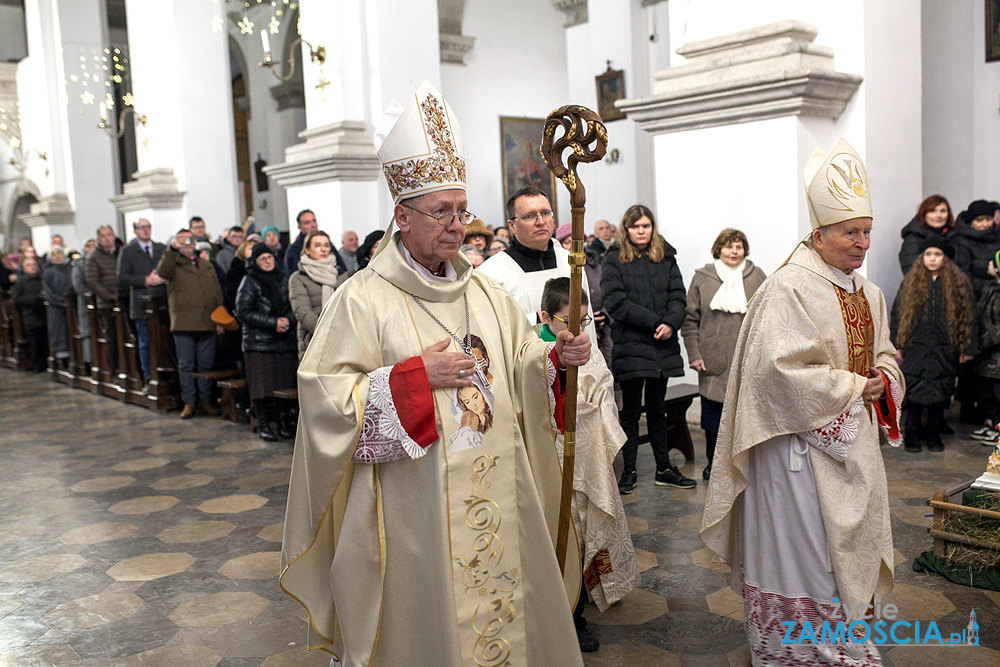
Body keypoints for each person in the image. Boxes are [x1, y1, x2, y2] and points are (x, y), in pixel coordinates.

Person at [280, 80, 590, 666]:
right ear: (402, 215)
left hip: (499, 484)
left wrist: (554, 359)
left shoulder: (485, 291)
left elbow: (520, 357)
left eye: (461, 210)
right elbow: (325, 403)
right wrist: (413, 379)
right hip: (413, 510)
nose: (456, 226)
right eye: (441, 212)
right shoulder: (361, 300)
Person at [700, 138, 904, 666]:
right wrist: (857, 387)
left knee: (844, 556)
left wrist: (884, 377)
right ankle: (800, 652)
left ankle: (842, 642)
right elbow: (777, 372)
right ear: (819, 233)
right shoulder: (789, 287)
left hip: (851, 449)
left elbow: (884, 355)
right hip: (795, 458)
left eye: (865, 232)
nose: (861, 243)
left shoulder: (870, 293)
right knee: (808, 558)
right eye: (849, 232)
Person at [535, 277, 639, 617]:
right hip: (551, 459)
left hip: (588, 453)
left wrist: (592, 408)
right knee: (561, 529)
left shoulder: (588, 351)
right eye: (569, 321)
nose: (577, 329)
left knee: (587, 528)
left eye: (583, 321)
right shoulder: (533, 354)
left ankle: (587, 592)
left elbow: (604, 389)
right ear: (544, 317)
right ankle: (566, 607)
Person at [602, 204, 695, 493]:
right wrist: (657, 322)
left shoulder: (665, 256)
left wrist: (670, 323)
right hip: (632, 344)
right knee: (630, 411)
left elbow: (679, 296)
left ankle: (664, 468)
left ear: (652, 228)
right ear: (626, 229)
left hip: (661, 345)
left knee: (657, 409)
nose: (641, 231)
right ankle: (629, 471)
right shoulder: (614, 259)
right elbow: (615, 302)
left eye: (646, 226)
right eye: (635, 226)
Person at [681, 228, 766, 480]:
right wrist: (694, 354)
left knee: (746, 415)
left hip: (748, 358)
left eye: (739, 246)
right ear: (719, 249)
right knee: (713, 417)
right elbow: (690, 321)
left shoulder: (757, 276)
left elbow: (767, 317)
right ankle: (713, 463)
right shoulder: (703, 278)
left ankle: (746, 463)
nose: (734, 251)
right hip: (713, 358)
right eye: (729, 246)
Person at [478, 186, 595, 340]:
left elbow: (588, 324)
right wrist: (534, 319)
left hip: (574, 358)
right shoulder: (490, 273)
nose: (540, 221)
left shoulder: (571, 262)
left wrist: (591, 361)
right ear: (512, 226)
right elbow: (489, 332)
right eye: (529, 216)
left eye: (545, 213)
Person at [891, 237, 973, 452]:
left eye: (937, 254)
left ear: (945, 258)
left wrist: (967, 347)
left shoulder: (958, 283)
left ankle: (933, 433)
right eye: (928, 254)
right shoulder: (911, 282)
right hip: (916, 346)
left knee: (940, 392)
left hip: (946, 347)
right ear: (922, 257)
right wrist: (897, 343)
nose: (933, 259)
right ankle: (912, 433)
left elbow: (968, 316)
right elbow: (897, 314)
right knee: (915, 393)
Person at [157, 229, 224, 419]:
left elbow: (216, 291)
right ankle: (189, 402)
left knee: (205, 365)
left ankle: (205, 400)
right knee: (186, 365)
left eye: (190, 242)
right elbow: (162, 271)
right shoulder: (173, 263)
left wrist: (220, 318)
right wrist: (172, 249)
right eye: (183, 242)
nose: (188, 245)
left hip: (207, 321)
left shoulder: (205, 264)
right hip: (184, 323)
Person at [236, 243, 298, 441]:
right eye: (263, 259)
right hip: (259, 342)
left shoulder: (282, 279)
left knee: (283, 384)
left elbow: (293, 304)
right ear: (255, 262)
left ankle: (282, 423)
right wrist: (273, 323)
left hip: (283, 340)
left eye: (270, 257)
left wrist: (287, 319)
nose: (268, 261)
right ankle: (263, 425)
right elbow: (243, 311)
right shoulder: (249, 281)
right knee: (262, 386)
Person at [117, 218, 166, 385]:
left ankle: (164, 374)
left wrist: (161, 277)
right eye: (141, 227)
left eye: (147, 227)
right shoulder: (128, 251)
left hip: (162, 301)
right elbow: (122, 277)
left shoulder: (161, 248)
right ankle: (148, 376)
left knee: (163, 339)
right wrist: (145, 280)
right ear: (135, 231)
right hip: (141, 302)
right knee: (145, 342)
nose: (145, 230)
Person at [555, 222, 612, 367]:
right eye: (567, 242)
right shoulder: (559, 269)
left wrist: (603, 313)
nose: (572, 247)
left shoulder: (595, 265)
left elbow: (607, 291)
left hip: (602, 327)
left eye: (576, 242)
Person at [289, 230, 350, 358]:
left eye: (326, 245)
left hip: (342, 339)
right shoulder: (299, 277)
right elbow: (302, 311)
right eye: (317, 245)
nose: (323, 249)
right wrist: (326, 333)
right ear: (307, 250)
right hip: (313, 339)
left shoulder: (340, 274)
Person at [971, 261, 1000, 445]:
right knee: (987, 391)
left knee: (998, 392)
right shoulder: (991, 288)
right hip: (987, 355)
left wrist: (982, 343)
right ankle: (992, 424)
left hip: (995, 353)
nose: (988, 263)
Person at [85, 225, 121, 373]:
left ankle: (129, 368)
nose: (107, 238)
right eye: (103, 236)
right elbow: (92, 281)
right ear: (98, 239)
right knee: (112, 336)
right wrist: (109, 296)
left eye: (109, 235)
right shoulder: (94, 257)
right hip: (107, 303)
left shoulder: (121, 252)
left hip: (123, 299)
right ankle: (114, 368)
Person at [899, 194, 955, 274]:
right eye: (933, 211)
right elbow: (911, 271)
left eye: (943, 211)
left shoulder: (955, 236)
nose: (939, 215)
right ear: (924, 214)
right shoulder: (913, 239)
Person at [11, 256, 48, 372]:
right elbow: (16, 298)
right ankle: (37, 364)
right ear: (24, 268)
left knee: (45, 339)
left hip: (43, 313)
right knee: (35, 340)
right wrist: (32, 300)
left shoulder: (42, 279)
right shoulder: (21, 282)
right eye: (29, 265)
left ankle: (46, 362)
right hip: (30, 314)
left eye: (34, 265)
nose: (32, 267)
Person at [42, 246, 73, 362]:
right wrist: (60, 301)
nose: (57, 256)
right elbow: (48, 291)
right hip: (56, 307)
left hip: (71, 305)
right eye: (54, 254)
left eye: (59, 253)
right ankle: (62, 357)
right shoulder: (48, 272)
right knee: (59, 331)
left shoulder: (70, 268)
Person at [71, 239, 96, 365]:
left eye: (93, 245)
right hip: (86, 302)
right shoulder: (80, 264)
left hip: (100, 300)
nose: (91, 248)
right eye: (88, 246)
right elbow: (78, 284)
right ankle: (89, 360)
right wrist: (89, 296)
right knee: (87, 331)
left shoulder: (99, 260)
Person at [224, 233, 260, 313]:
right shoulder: (235, 271)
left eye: (256, 248)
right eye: (250, 248)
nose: (254, 251)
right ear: (242, 250)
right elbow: (231, 295)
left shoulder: (263, 269)